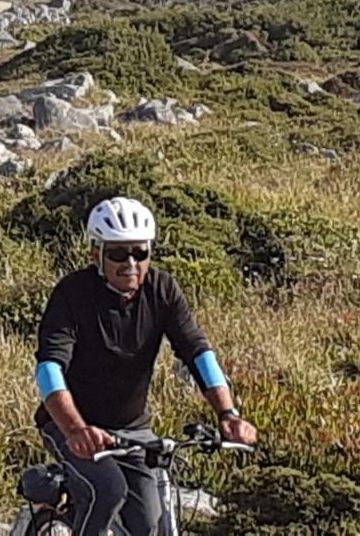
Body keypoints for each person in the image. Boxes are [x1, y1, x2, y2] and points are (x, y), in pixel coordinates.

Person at [33, 197, 257, 535]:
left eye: (140, 252)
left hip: (134, 429)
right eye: (118, 254)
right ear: (96, 254)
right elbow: (50, 369)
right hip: (71, 426)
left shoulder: (163, 290)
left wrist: (228, 414)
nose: (131, 263)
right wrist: (76, 430)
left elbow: (198, 353)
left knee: (149, 524)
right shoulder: (73, 294)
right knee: (107, 492)